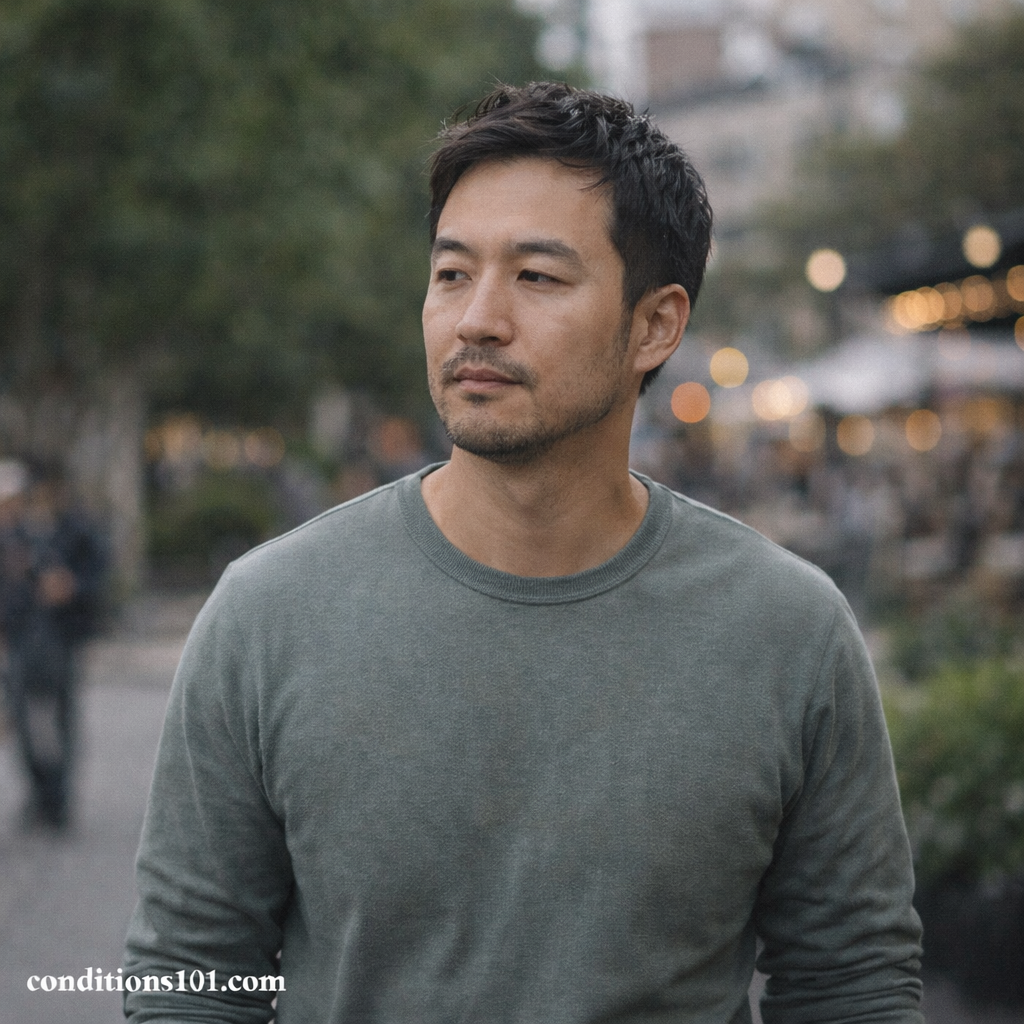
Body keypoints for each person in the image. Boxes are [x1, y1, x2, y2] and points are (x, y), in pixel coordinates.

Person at [124, 83, 923, 1023]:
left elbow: (852, 982)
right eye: (452, 273)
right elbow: (187, 980)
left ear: (655, 325)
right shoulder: (266, 614)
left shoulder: (789, 630)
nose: (476, 320)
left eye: (536, 277)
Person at [0, 462, 107, 829]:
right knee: (22, 720)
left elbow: (98, 569)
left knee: (63, 719)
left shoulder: (74, 527)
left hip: (61, 636)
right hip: (20, 639)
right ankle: (40, 793)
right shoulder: (13, 534)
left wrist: (72, 586)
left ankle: (59, 798)